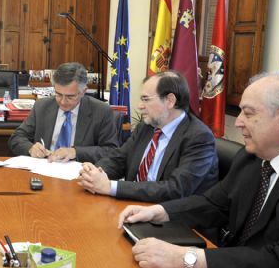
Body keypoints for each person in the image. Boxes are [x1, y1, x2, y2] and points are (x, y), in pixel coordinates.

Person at [118, 71, 279, 268]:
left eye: (248, 113)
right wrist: (160, 211)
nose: (238, 122)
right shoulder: (252, 157)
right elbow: (214, 204)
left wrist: (184, 258)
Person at [77, 70, 218, 202]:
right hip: (133, 205)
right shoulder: (147, 127)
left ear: (170, 101)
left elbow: (176, 189)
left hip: (171, 219)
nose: (140, 106)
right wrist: (95, 173)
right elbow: (119, 159)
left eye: (146, 99)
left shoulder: (199, 137)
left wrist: (110, 187)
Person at [8, 62, 119, 163]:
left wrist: (75, 152)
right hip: (44, 169)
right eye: (58, 94)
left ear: (83, 92)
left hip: (80, 175)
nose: (63, 101)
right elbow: (16, 137)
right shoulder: (41, 106)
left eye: (70, 97)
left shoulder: (101, 111)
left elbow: (111, 151)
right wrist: (30, 148)